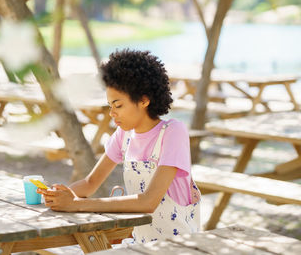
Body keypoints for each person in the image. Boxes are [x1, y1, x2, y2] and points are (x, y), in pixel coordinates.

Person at [37, 49, 201, 243]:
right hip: (141, 245)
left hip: (179, 247)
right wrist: (59, 197)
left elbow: (149, 201)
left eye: (118, 105)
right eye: (109, 106)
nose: (112, 113)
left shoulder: (173, 132)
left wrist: (76, 205)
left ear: (143, 100)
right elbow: (90, 184)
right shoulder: (124, 135)